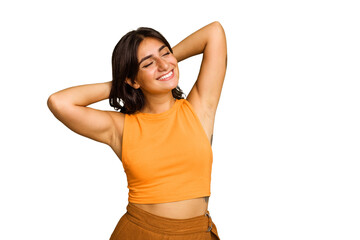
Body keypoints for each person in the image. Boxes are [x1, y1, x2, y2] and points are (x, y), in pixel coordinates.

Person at [47, 21, 227, 239]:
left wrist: (165, 63)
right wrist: (122, 82)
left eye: (165, 53)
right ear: (133, 79)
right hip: (140, 232)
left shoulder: (199, 108)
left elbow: (214, 32)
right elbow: (59, 102)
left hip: (196, 232)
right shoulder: (121, 127)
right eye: (148, 64)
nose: (163, 65)